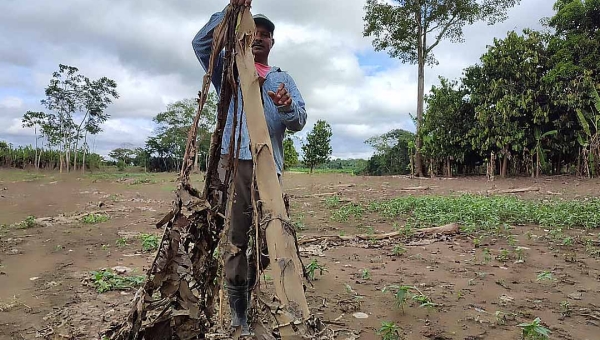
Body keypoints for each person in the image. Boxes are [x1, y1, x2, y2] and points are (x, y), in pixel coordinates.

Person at [192, 0, 307, 335]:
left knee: (271, 236)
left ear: (273, 42)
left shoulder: (281, 79)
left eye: (266, 34)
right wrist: (230, 12)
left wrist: (286, 107)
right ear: (243, 34)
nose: (258, 37)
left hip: (269, 169)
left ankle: (254, 283)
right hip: (235, 165)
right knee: (236, 238)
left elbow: (299, 120)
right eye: (253, 31)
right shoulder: (228, 70)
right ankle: (239, 312)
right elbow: (201, 44)